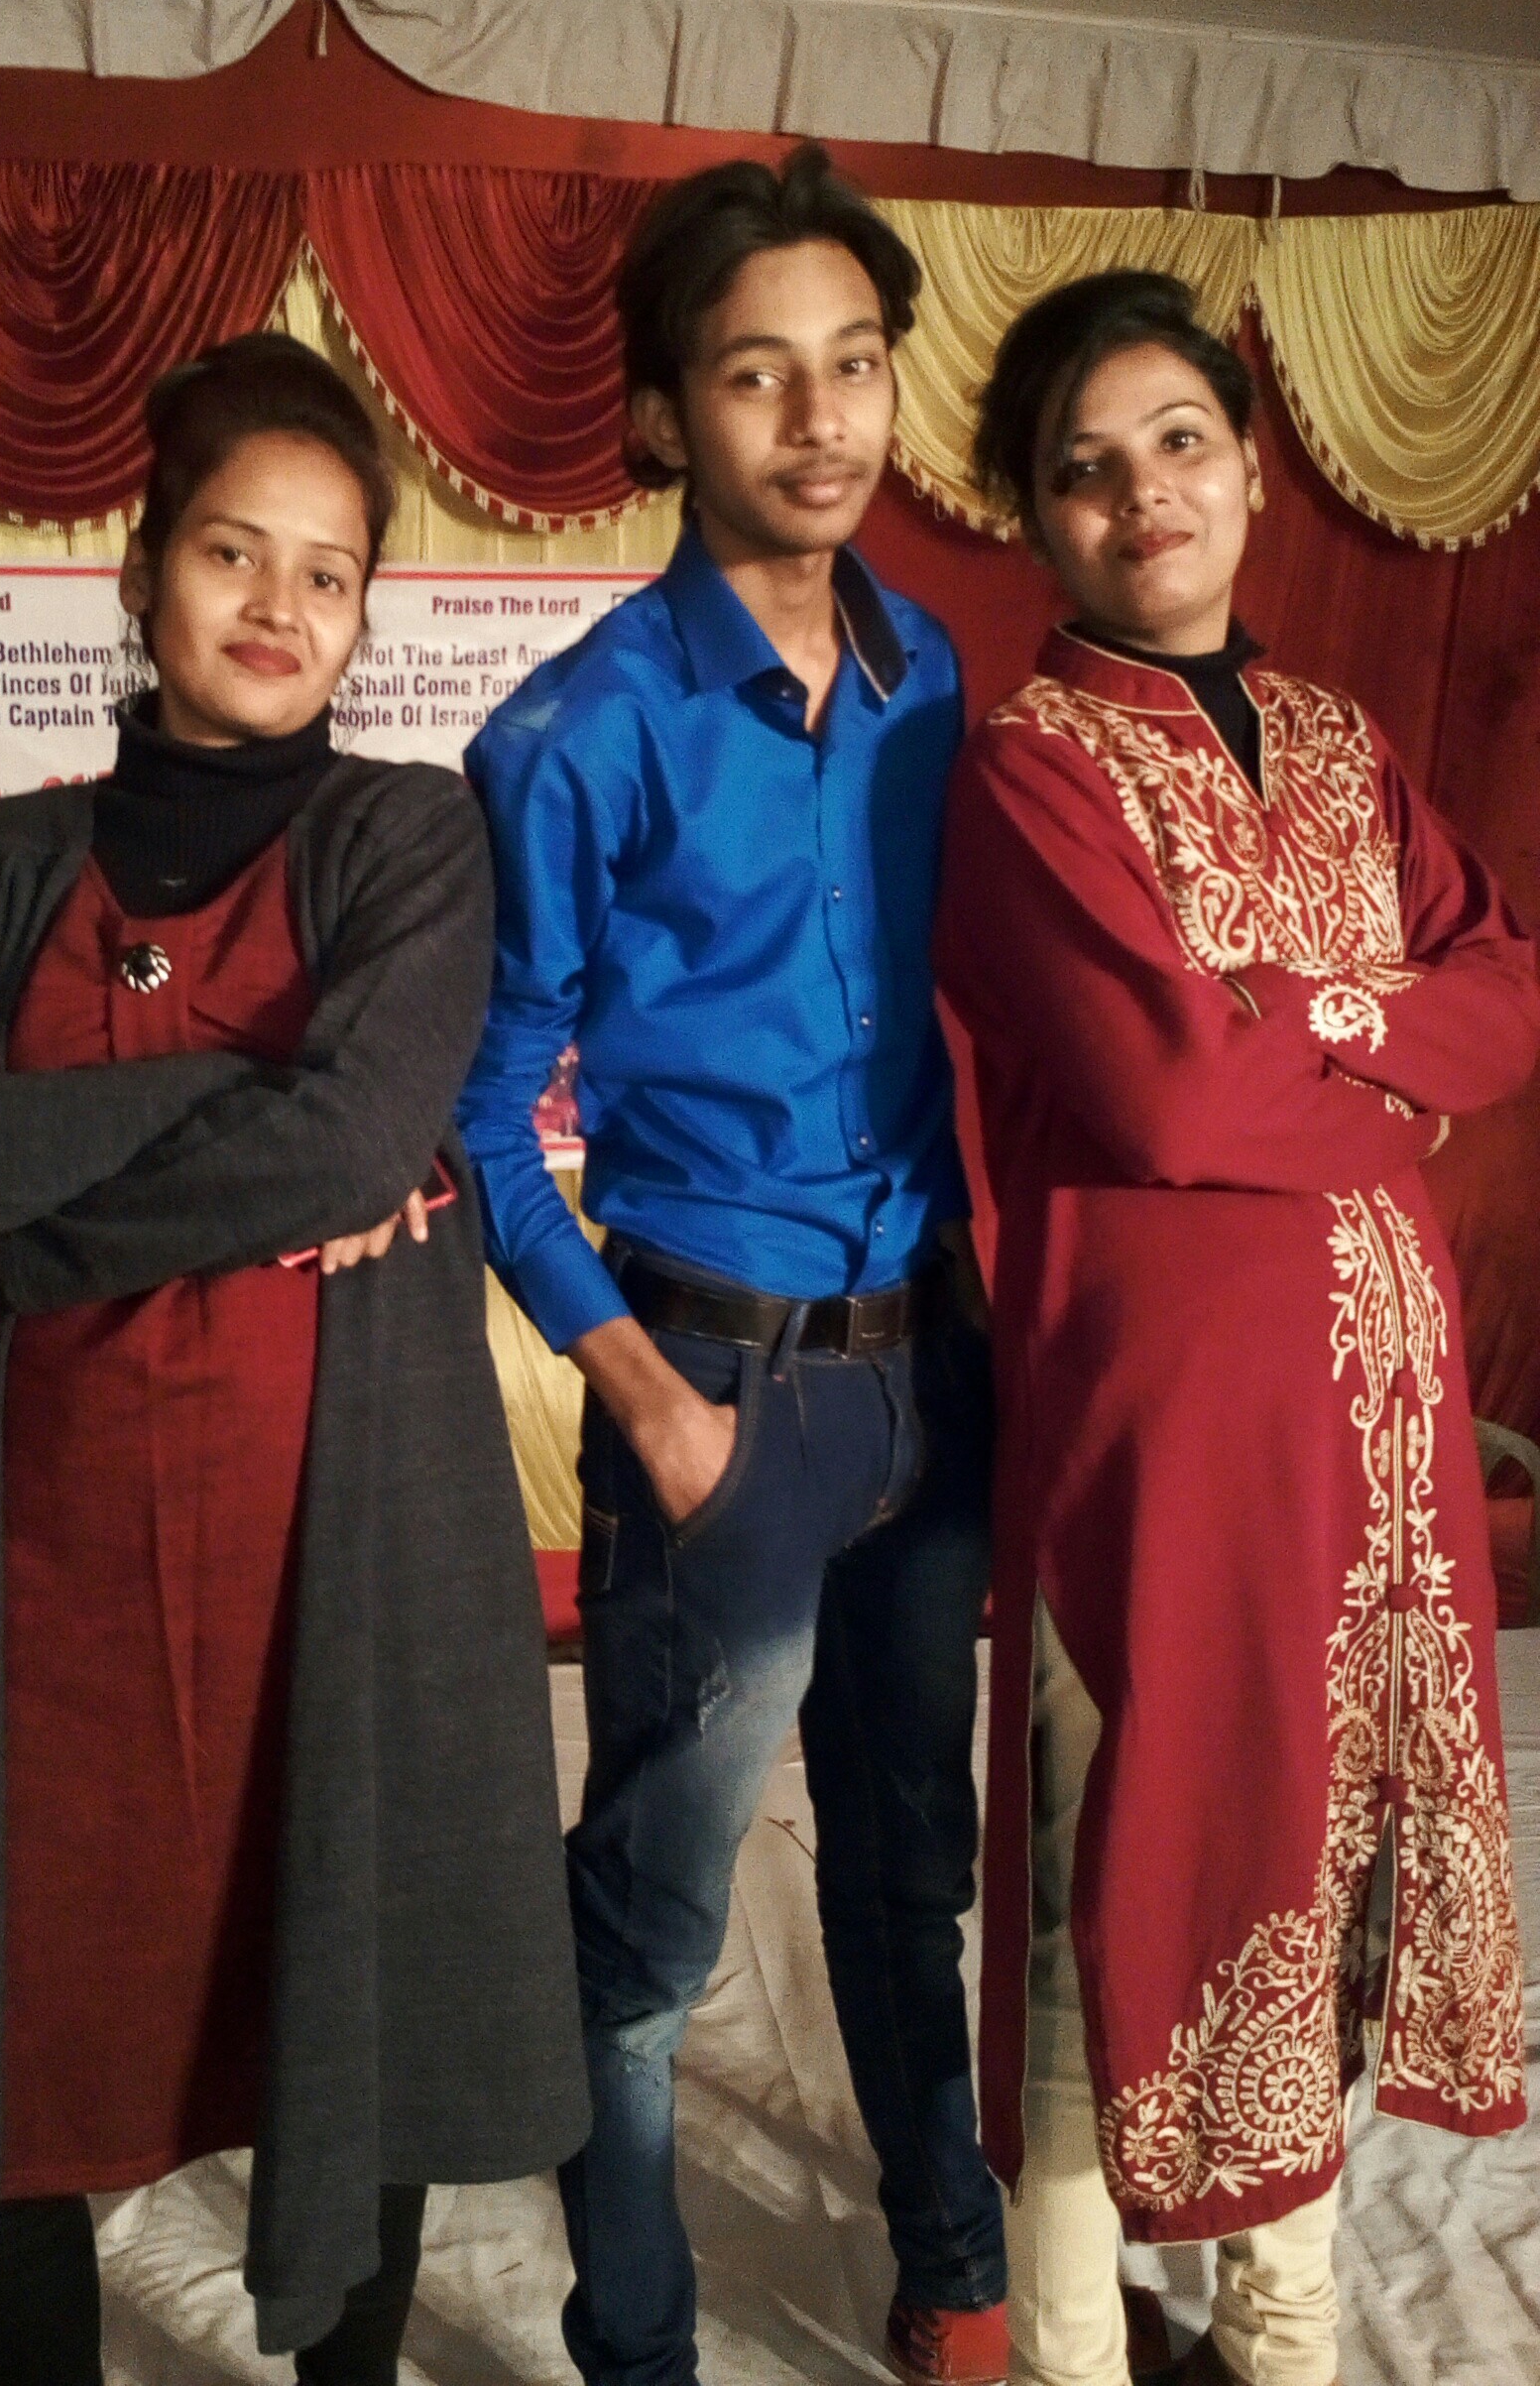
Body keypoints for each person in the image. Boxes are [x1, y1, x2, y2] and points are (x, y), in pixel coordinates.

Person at [0, 333, 587, 2386]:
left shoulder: (406, 840)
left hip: (340, 1559)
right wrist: (236, 1106)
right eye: (234, 552)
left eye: (328, 573)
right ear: (147, 567)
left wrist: (36, 1206)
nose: (277, 604)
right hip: (42, 1571)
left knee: (347, 1986)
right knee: (13, 2020)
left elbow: (351, 1141)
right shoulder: (7, 864)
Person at [934, 271, 1537, 2386]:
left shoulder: (1351, 747)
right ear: (1040, 521)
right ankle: (1078, 2347)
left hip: (1380, 1418)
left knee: (1322, 1856)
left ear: (1255, 469)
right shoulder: (1029, 775)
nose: (1145, 494)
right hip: (1162, 1424)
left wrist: (1304, 1007)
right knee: (1131, 1875)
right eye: (1086, 469)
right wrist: (1382, 1061)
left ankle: (1285, 2337)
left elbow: (1506, 996)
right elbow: (1171, 1099)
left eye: (1180, 440)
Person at [459, 145, 1009, 2386]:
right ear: (666, 412)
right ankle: (640, 2346)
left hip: (927, 1375)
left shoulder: (928, 669)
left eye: (854, 364)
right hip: (722, 1389)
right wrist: (651, 1403)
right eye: (758, 372)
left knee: (910, 1861)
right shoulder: (578, 729)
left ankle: (954, 2269)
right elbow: (485, 1113)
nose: (819, 417)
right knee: (653, 1937)